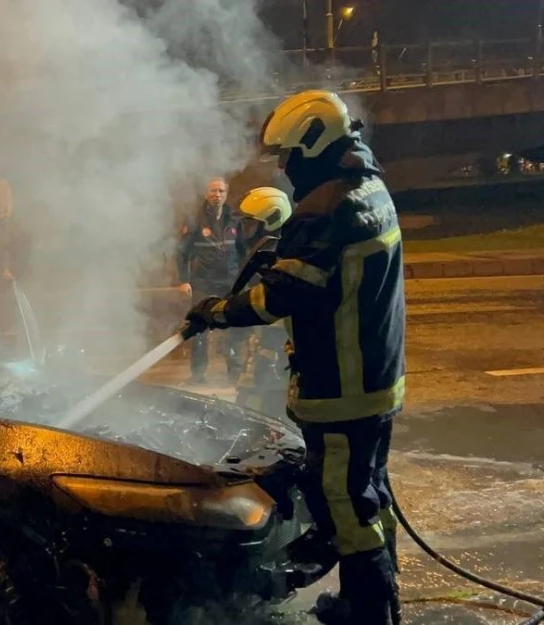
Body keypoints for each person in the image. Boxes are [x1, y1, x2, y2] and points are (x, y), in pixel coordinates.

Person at [183, 90, 404, 625]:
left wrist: (216, 311)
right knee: (370, 494)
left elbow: (280, 298)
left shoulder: (324, 209)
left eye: (290, 155)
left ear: (313, 143)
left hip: (340, 388)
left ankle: (369, 612)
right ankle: (377, 595)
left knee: (346, 507)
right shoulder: (370, 189)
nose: (285, 166)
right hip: (377, 377)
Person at [176, 177, 251, 386]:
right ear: (206, 194)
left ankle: (234, 373)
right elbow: (182, 253)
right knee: (199, 328)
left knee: (234, 327)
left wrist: (246, 279)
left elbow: (244, 252)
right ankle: (198, 374)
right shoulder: (194, 220)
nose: (216, 195)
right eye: (212, 191)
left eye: (220, 191)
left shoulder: (235, 218)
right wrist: (184, 280)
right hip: (203, 282)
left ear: (226, 194)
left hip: (231, 282)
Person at [234, 187, 293, 417]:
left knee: (261, 409)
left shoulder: (283, 257)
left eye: (250, 223)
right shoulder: (267, 251)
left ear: (271, 220)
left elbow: (275, 309)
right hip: (264, 347)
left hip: (279, 354)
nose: (245, 229)